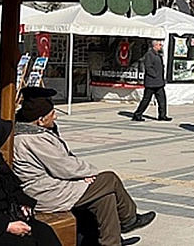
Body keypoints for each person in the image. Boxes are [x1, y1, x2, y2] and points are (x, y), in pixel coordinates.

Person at [12, 88, 155, 246]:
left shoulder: (31, 133)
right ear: (41, 120)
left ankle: (111, 242)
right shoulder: (33, 139)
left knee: (105, 197)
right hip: (46, 192)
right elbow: (64, 166)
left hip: (52, 185)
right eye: (52, 113)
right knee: (109, 179)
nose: (56, 116)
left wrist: (84, 177)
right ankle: (129, 219)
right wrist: (91, 174)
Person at [0, 116, 62, 246]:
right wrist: (6, 226)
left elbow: (13, 187)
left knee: (44, 232)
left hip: (9, 215)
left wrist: (24, 203)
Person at [132, 40, 171, 122]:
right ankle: (137, 114)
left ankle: (162, 115)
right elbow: (148, 67)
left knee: (162, 99)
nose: (161, 46)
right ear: (155, 45)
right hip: (151, 82)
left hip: (159, 82)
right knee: (146, 100)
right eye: (160, 45)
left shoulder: (158, 55)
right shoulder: (149, 54)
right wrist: (155, 75)